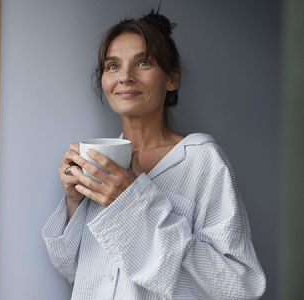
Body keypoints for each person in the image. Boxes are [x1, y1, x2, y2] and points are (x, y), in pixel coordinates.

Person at [42, 12, 266, 299]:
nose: (125, 77)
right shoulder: (100, 164)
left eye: (143, 62)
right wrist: (75, 201)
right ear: (103, 81)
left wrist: (129, 201)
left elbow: (239, 287)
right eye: (113, 66)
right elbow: (75, 271)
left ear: (172, 78)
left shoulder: (200, 161)